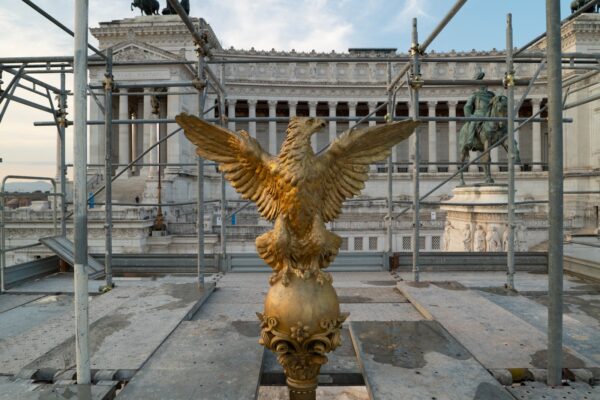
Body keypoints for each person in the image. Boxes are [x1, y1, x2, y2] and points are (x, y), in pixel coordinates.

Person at [458, 72, 495, 154]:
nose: (484, 88)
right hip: (478, 114)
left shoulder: (491, 95)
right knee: (473, 122)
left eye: (485, 87)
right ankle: (470, 140)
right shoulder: (475, 95)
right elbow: (467, 106)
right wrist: (469, 117)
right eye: (482, 87)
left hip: (489, 115)